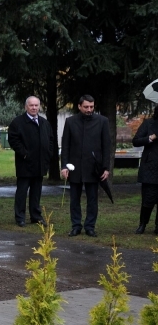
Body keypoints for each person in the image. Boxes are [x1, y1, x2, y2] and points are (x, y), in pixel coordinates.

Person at [61, 94, 111, 237]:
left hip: (93, 167)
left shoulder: (102, 121)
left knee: (92, 199)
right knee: (74, 199)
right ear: (79, 106)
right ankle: (76, 226)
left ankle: (90, 226)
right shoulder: (70, 122)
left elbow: (106, 146)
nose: (89, 110)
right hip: (74, 167)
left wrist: (106, 168)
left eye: (91, 107)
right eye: (86, 107)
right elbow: (65, 145)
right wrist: (64, 166)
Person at [7, 96, 54, 227]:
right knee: (22, 191)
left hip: (40, 163)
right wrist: (24, 154)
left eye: (36, 105)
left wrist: (48, 154)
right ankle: (20, 217)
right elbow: (13, 140)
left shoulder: (44, 123)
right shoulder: (18, 122)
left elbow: (50, 140)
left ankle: (36, 216)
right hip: (25, 164)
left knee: (36, 192)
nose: (34, 108)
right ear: (26, 107)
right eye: (31, 105)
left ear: (39, 106)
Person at [132, 106, 158, 234]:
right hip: (150, 168)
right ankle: (143, 223)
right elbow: (136, 141)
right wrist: (150, 138)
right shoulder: (148, 123)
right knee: (148, 199)